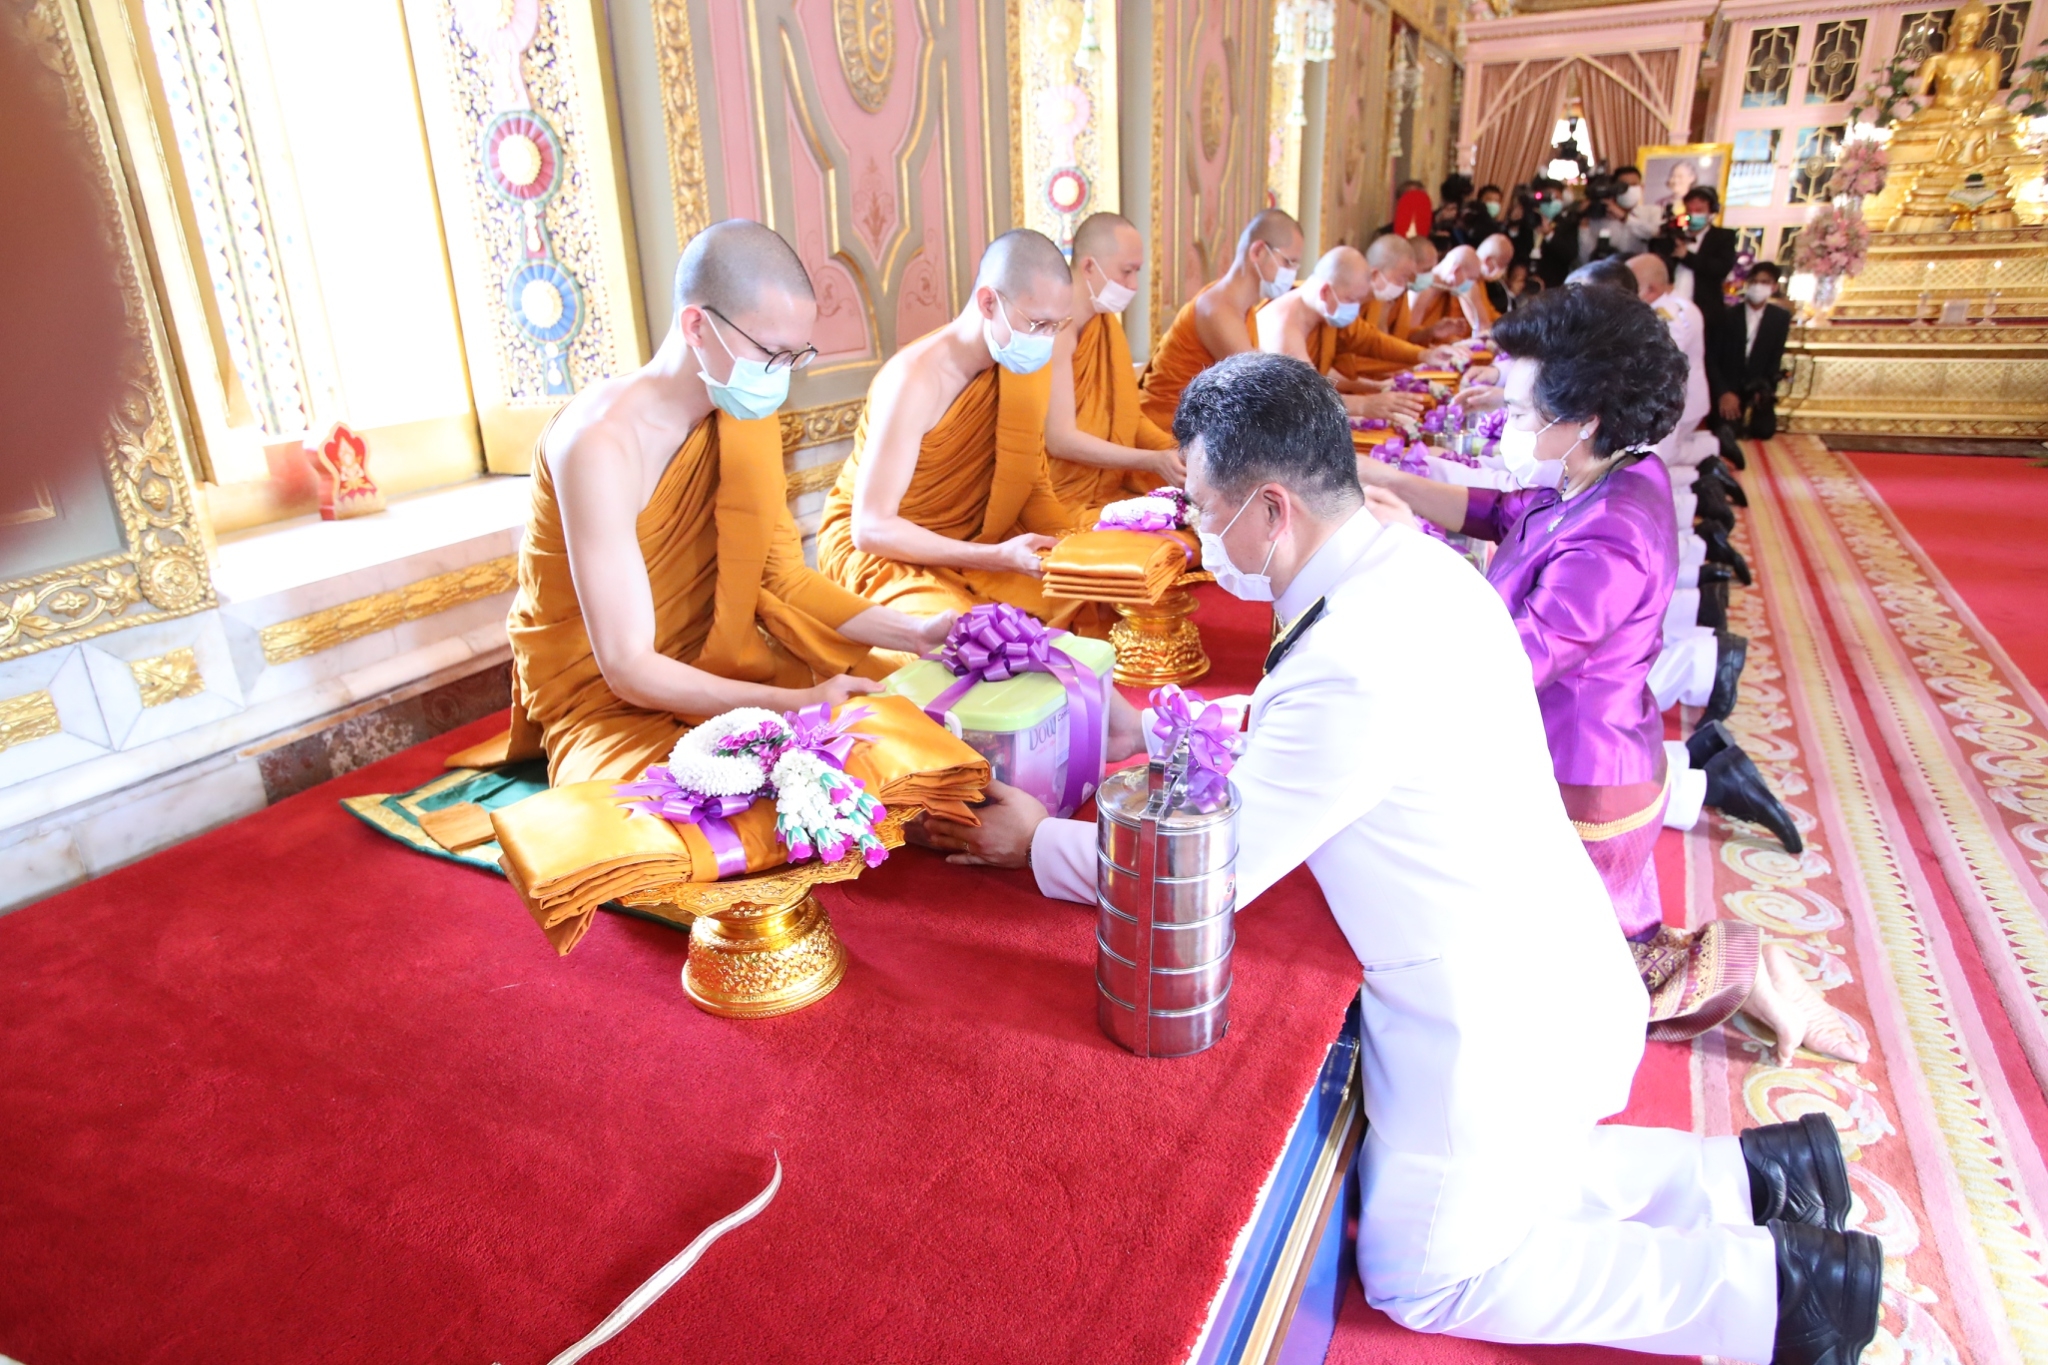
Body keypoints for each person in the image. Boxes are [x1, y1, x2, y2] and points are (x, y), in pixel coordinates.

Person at [923, 350, 1882, 1365]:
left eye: (1204, 508)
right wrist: (1151, 731)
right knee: (1517, 1178)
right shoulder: (1400, 564)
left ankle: (1770, 1293)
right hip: (1546, 950)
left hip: (1490, 1011)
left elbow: (1208, 865)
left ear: (1272, 508)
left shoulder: (1354, 650)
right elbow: (1303, 737)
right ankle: (1751, 1181)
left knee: (1429, 1273)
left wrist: (1036, 844)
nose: (1200, 536)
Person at [1356, 285, 1859, 1065]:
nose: (1509, 426)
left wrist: (1406, 551)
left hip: (1581, 775)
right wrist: (1379, 481)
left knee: (1568, 980)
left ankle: (1746, 971)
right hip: (1593, 750)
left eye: (1521, 414)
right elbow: (1509, 509)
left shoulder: (1613, 536)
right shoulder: (1614, 471)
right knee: (1574, 943)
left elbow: (1507, 662)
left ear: (1583, 421)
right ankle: (1748, 967)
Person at [473, 219, 950, 786]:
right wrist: (797, 702)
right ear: (696, 325)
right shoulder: (599, 444)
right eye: (772, 354)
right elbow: (627, 668)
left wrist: (910, 633)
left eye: (796, 357)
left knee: (902, 737)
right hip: (608, 704)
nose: (784, 377)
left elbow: (784, 579)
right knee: (670, 831)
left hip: (725, 664)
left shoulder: (744, 414)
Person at [816, 229, 1092, 629]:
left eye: (1056, 327)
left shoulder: (1020, 368)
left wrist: (1075, 548)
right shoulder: (913, 381)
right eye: (1038, 324)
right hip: (885, 552)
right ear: (988, 302)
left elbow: (1030, 482)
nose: (1046, 340)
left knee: (1086, 600)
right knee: (962, 639)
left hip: (976, 545)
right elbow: (872, 528)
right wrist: (995, 557)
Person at [1042, 213, 1185, 517]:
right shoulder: (1055, 331)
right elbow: (1060, 440)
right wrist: (1150, 460)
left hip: (1107, 487)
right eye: (1126, 271)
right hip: (1059, 494)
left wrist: (1177, 450)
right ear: (1089, 266)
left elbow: (1127, 417)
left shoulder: (1104, 324)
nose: (1133, 285)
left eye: (1137, 272)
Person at [1137, 208, 1304, 430]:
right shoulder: (1217, 309)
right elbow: (1260, 387)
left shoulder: (1244, 309)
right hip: (1167, 435)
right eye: (1288, 262)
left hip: (1202, 428)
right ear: (1258, 252)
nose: (1291, 273)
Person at [1256, 243, 1440, 421]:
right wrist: (1364, 405)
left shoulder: (1323, 312)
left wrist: (1422, 355)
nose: (1353, 309)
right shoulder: (1283, 327)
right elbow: (1309, 397)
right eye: (1350, 300)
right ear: (1325, 291)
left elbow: (1368, 341)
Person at [1713, 262, 1791, 439]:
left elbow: (1775, 358)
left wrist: (1765, 390)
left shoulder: (1780, 318)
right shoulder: (1728, 315)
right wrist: (1724, 393)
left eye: (1765, 282)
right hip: (1730, 387)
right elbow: (1712, 358)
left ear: (1774, 286)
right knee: (1727, 430)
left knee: (1763, 430)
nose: (1758, 286)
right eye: (1754, 281)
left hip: (1757, 385)